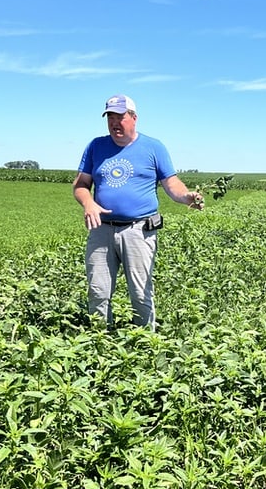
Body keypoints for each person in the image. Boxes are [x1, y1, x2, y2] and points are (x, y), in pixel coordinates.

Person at [72, 94, 204, 328]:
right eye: (110, 117)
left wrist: (187, 198)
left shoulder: (153, 147)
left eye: (120, 117)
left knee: (141, 292)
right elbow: (81, 185)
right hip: (101, 229)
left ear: (134, 118)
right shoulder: (96, 146)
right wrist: (88, 203)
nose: (114, 122)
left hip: (139, 230)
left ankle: (146, 345)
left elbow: (172, 184)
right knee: (98, 291)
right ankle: (99, 343)